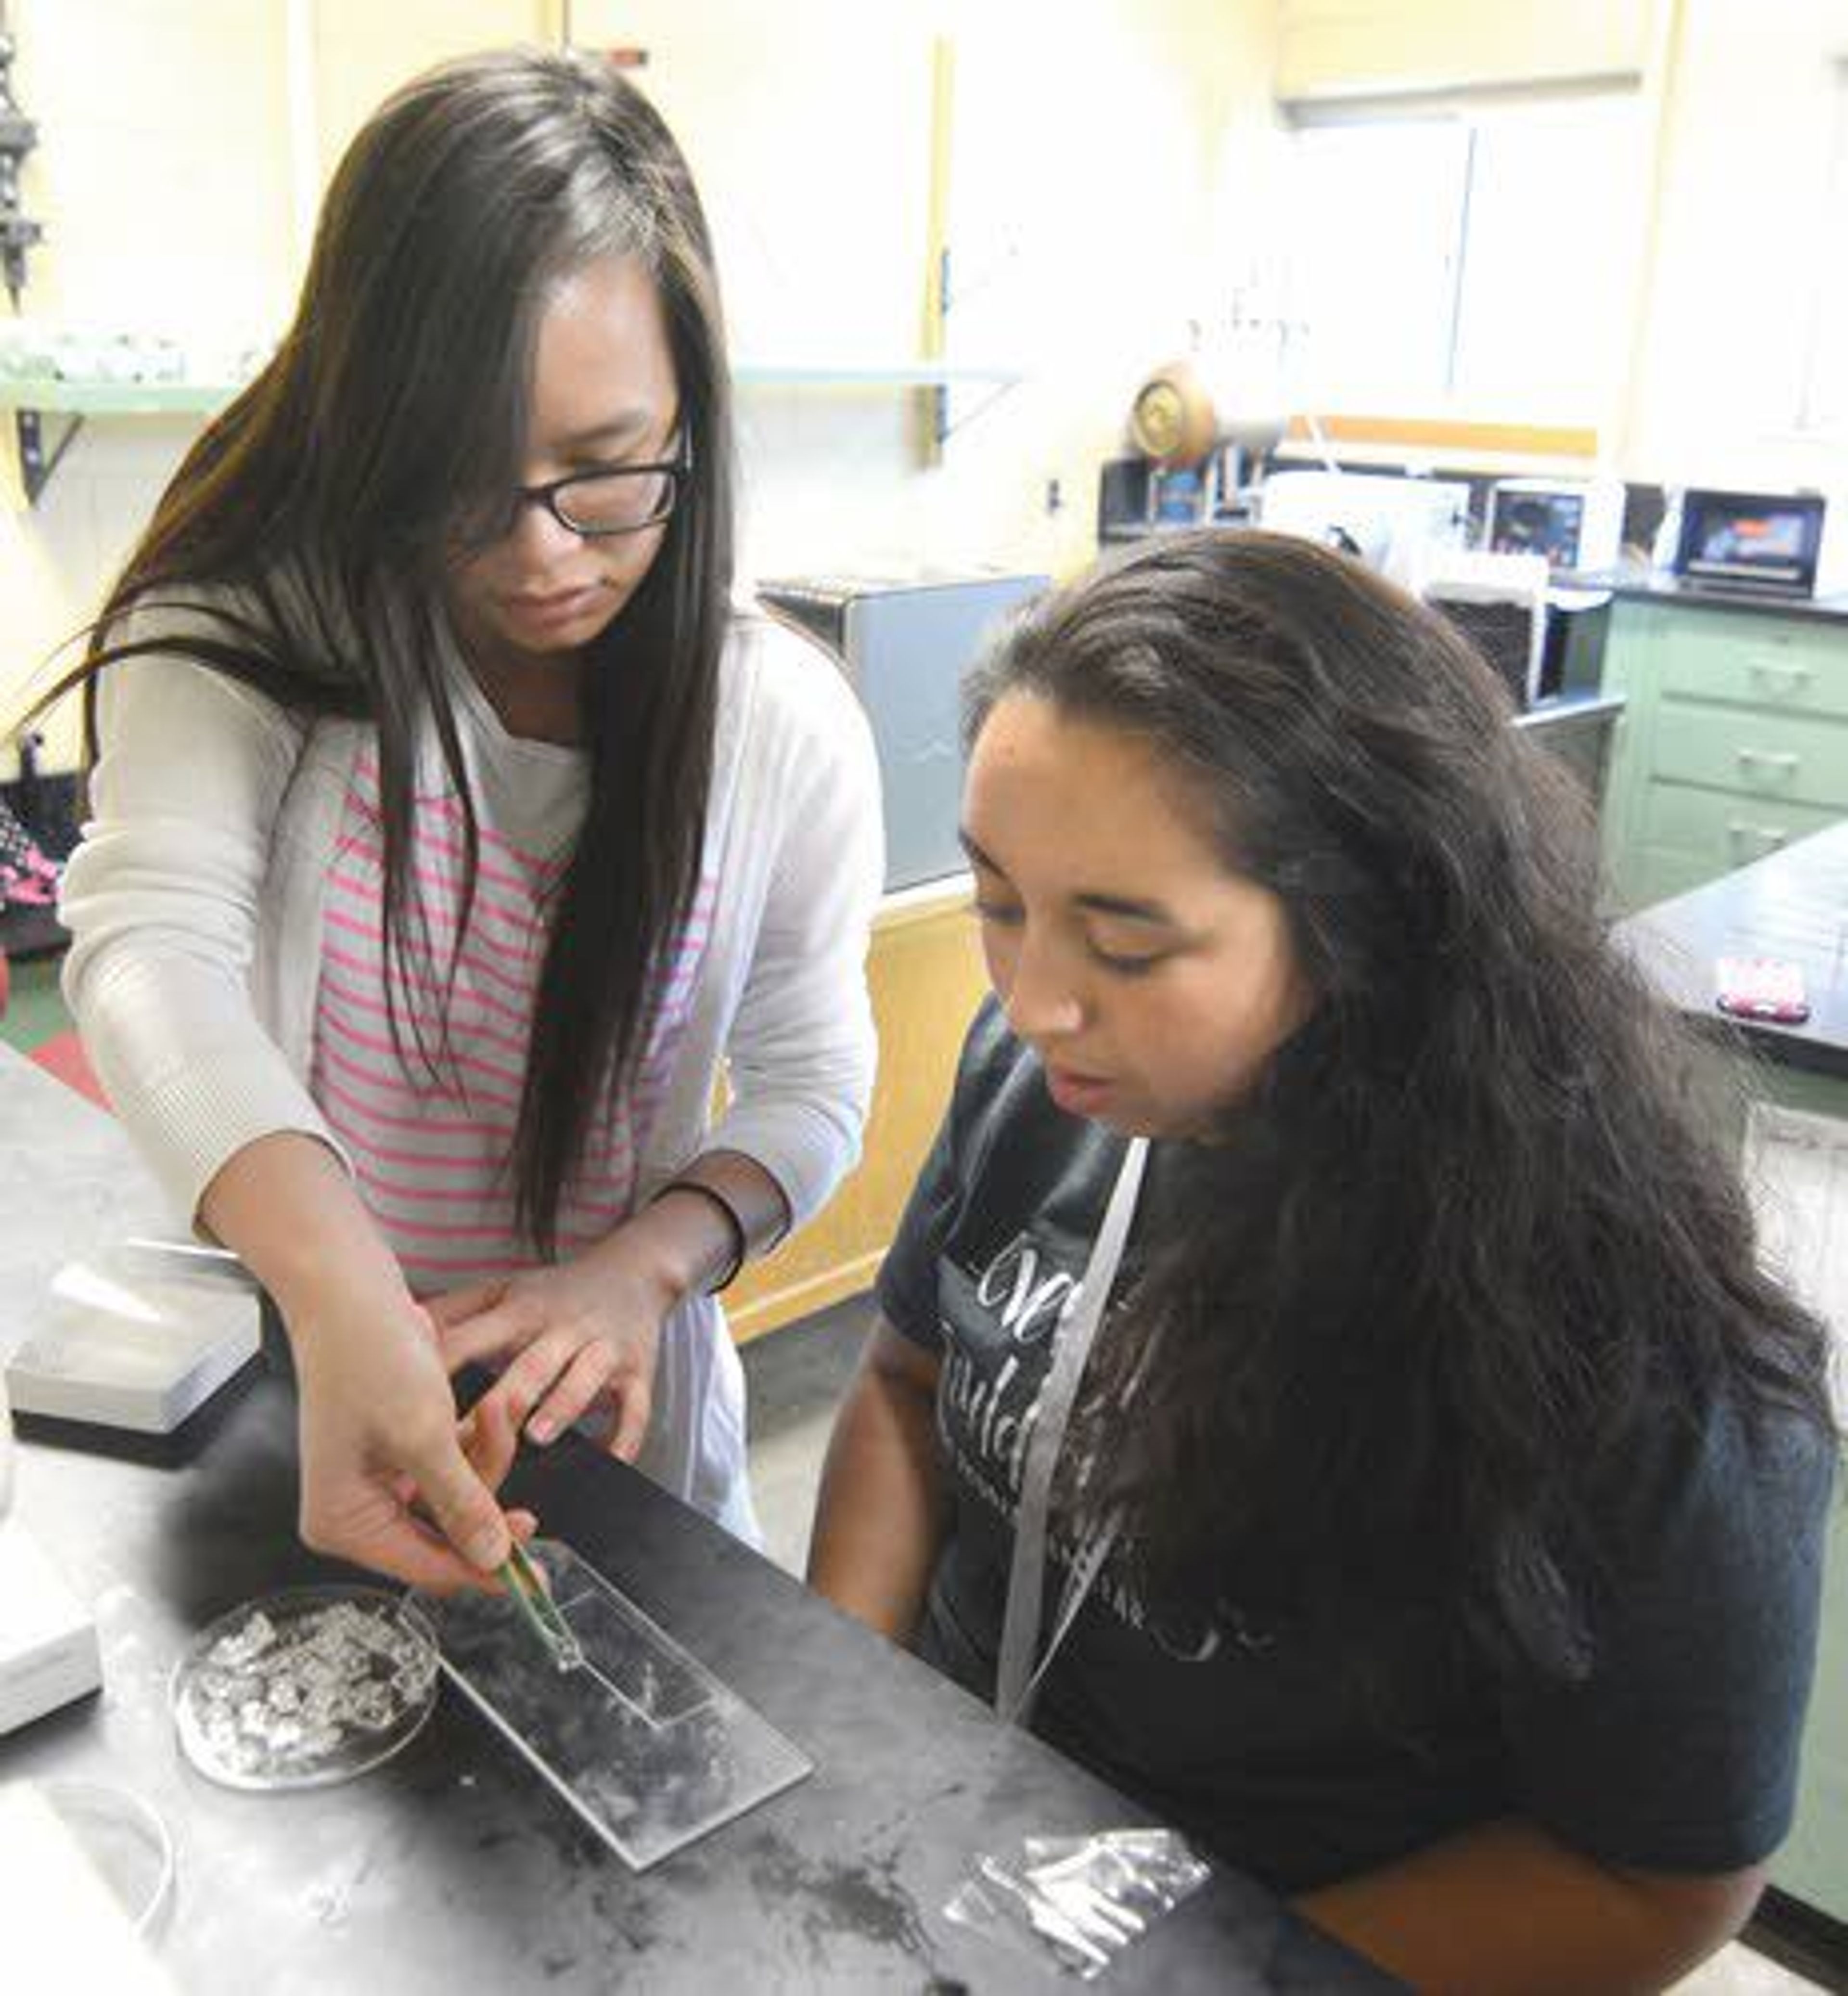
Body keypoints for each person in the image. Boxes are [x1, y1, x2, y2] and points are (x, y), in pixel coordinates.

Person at [808, 528, 1837, 1992]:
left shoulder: (1629, 1346)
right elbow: (905, 1386)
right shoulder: (1038, 1082)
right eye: (997, 902)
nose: (1034, 1001)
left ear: (1362, 919)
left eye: (1129, 943)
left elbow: (1659, 1870)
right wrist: (851, 1715)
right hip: (956, 1860)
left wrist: (1199, 1969)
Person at [44, 48, 882, 1593]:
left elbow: (816, 1081)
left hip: (632, 1449)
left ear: (691, 410)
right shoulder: (242, 642)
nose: (543, 552)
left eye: (604, 468)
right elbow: (149, 950)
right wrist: (342, 1286)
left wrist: (645, 1267)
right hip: (307, 1396)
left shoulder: (779, 724)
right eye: (461, 481)